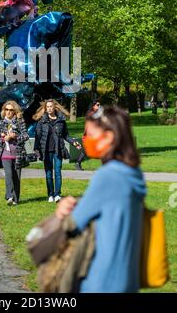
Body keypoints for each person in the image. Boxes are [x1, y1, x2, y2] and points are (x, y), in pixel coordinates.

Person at [55, 106, 146, 293]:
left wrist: (66, 209)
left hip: (101, 280)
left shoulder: (107, 176)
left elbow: (73, 223)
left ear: (109, 137)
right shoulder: (131, 173)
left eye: (90, 134)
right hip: (126, 277)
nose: (86, 140)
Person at [33, 99, 81, 203]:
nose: (49, 108)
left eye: (51, 106)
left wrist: (74, 143)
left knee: (58, 172)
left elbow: (66, 135)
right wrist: (36, 149)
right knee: (49, 173)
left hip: (58, 150)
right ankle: (50, 194)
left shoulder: (61, 120)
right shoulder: (42, 121)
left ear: (55, 107)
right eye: (47, 107)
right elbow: (38, 136)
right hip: (46, 150)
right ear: (45, 108)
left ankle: (57, 194)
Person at [0, 100, 29, 206]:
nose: (8, 112)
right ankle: (9, 196)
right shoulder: (1, 123)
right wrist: (5, 139)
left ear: (15, 111)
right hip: (6, 154)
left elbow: (26, 136)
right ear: (4, 111)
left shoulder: (20, 122)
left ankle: (16, 199)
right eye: (6, 109)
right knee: (9, 175)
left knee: (16, 177)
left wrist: (15, 136)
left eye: (11, 110)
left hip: (18, 154)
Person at [76, 99, 101, 171]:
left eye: (99, 105)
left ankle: (78, 163)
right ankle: (78, 163)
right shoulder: (91, 114)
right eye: (97, 105)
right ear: (93, 106)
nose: (99, 106)